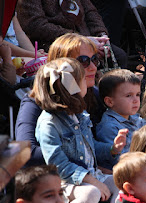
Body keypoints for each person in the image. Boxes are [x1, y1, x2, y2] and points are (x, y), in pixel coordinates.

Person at [32, 57, 122, 203]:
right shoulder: (49, 123)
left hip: (91, 175)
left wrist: (112, 149)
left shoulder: (79, 114)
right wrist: (92, 181)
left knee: (121, 184)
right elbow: (58, 166)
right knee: (91, 194)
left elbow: (90, 146)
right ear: (72, 87)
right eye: (82, 79)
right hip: (64, 182)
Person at [15, 33, 105, 167]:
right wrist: (79, 156)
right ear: (61, 65)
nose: (93, 67)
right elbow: (26, 152)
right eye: (83, 61)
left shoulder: (94, 93)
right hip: (56, 177)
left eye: (94, 59)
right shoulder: (35, 101)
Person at [16, 0, 127, 69]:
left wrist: (101, 36)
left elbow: (91, 12)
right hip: (56, 43)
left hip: (87, 38)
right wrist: (79, 40)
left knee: (117, 55)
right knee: (81, 60)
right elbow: (35, 25)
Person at [96, 69, 146, 170]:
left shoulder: (136, 118)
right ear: (110, 102)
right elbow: (119, 160)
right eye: (129, 96)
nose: (136, 100)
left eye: (137, 94)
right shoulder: (109, 127)